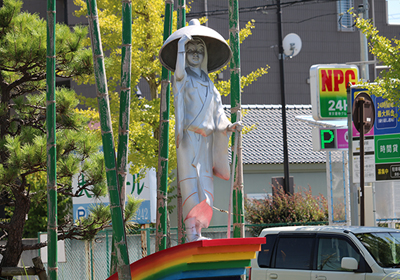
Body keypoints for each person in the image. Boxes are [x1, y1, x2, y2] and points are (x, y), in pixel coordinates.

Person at [172, 20, 241, 242]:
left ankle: (200, 231)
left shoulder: (212, 86)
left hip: (207, 142)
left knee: (206, 187)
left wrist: (229, 126)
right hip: (190, 139)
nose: (195, 54)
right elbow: (179, 74)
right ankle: (191, 233)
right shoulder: (184, 80)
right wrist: (181, 45)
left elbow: (218, 114)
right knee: (191, 183)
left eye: (199, 51)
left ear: (205, 56)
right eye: (191, 50)